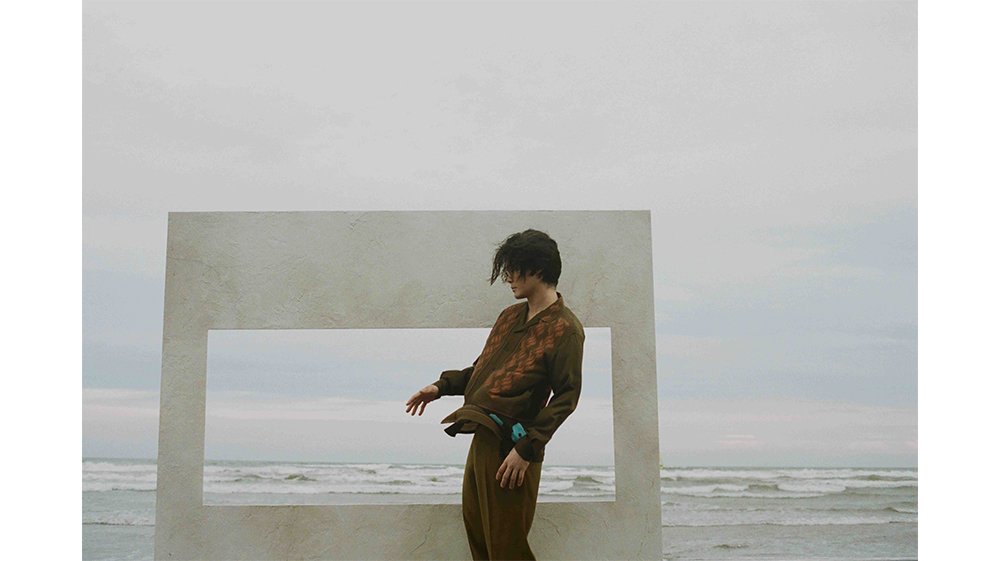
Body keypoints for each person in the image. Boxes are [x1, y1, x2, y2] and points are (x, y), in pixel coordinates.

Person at [405, 228, 585, 561]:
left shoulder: (565, 329)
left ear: (538, 269)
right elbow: (483, 371)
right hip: (482, 436)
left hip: (514, 447)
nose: (508, 278)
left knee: (507, 550)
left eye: (513, 268)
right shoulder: (510, 317)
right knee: (480, 541)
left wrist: (526, 449)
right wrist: (441, 387)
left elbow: (566, 397)